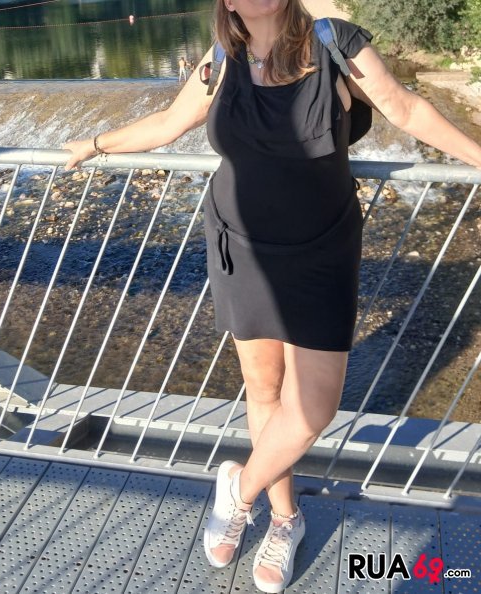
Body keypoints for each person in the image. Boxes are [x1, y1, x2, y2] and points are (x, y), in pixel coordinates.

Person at [64, 1, 481, 591]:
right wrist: (95, 143)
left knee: (313, 408)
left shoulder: (334, 43)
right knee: (263, 389)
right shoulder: (222, 59)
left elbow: (406, 108)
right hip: (241, 246)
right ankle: (284, 519)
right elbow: (167, 123)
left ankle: (239, 489)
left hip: (322, 247)